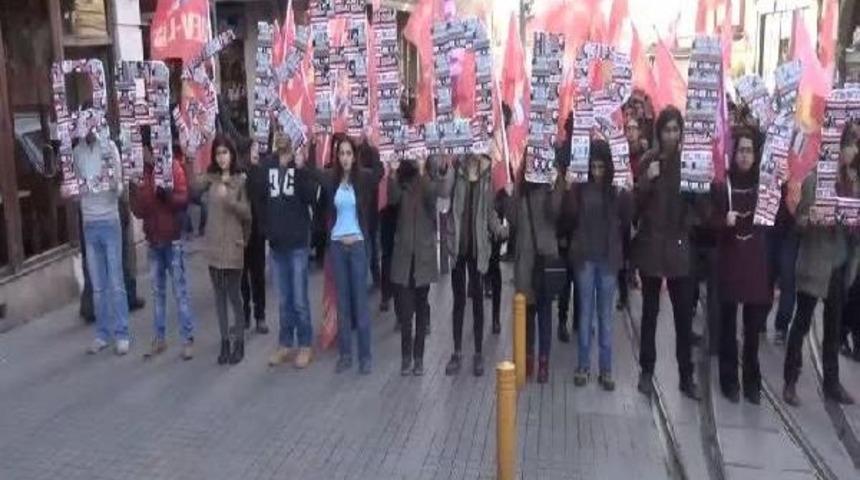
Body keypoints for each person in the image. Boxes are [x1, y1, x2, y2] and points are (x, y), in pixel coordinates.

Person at [632, 106, 706, 400]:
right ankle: (646, 372)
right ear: (659, 132)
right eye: (667, 130)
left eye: (676, 130)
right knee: (649, 314)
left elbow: (702, 212)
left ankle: (685, 376)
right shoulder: (650, 160)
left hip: (678, 249)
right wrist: (647, 180)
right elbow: (635, 207)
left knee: (683, 319)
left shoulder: (690, 164)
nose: (671, 135)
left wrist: (699, 190)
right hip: (651, 247)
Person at [783, 126, 860, 406]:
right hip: (815, 263)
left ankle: (832, 383)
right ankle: (790, 379)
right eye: (850, 145)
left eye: (854, 145)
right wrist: (811, 217)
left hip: (839, 264)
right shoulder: (815, 179)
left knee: (833, 326)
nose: (854, 151)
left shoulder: (853, 183)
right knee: (802, 321)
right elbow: (799, 223)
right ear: (837, 149)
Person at [563, 139, 632, 391]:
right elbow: (569, 217)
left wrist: (628, 192)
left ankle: (606, 369)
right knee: (584, 315)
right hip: (585, 258)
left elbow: (627, 219)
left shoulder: (615, 190)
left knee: (605, 317)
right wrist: (569, 188)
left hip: (608, 260)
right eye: (593, 166)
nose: (597, 172)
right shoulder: (581, 188)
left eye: (601, 167)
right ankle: (583, 365)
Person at [316, 136, 383, 375]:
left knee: (360, 303)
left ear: (354, 156)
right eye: (341, 153)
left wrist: (369, 142)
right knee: (342, 303)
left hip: (357, 247)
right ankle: (345, 355)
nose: (344, 157)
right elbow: (312, 174)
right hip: (337, 247)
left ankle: (365, 356)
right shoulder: (330, 180)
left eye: (348, 153)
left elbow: (379, 171)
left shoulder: (362, 178)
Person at [712, 129, 770, 405]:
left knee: (752, 327)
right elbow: (709, 223)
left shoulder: (764, 184)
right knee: (727, 323)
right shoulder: (724, 184)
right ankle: (728, 379)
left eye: (750, 151)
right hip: (730, 260)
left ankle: (752, 381)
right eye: (741, 150)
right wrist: (724, 221)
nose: (745, 156)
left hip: (756, 262)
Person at [129, 128, 195, 360]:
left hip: (172, 238)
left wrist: (167, 195)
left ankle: (188, 339)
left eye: (144, 149)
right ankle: (159, 338)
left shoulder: (172, 166)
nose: (143, 153)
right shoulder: (141, 174)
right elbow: (137, 210)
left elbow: (184, 198)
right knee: (157, 293)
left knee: (180, 291)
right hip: (153, 239)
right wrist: (135, 192)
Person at [443, 154, 507, 377]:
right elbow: (443, 197)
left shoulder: (487, 178)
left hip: (478, 249)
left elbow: (489, 212)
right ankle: (457, 351)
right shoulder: (456, 171)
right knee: (459, 301)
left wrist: (500, 230)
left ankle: (478, 353)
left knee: (478, 302)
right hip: (458, 248)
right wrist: (449, 168)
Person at [191, 136, 252, 365]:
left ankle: (239, 342)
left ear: (232, 155)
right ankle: (225, 341)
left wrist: (232, 203)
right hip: (214, 246)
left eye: (225, 153)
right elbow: (193, 189)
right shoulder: (211, 179)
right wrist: (190, 155)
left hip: (234, 246)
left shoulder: (240, 180)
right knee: (219, 297)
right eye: (218, 153)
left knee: (234, 296)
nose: (222, 157)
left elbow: (247, 215)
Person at [262, 133, 320, 369]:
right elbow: (261, 197)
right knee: (284, 300)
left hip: (297, 245)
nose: (283, 137)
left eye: (288, 132)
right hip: (277, 246)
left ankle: (305, 344)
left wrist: (302, 166)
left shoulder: (300, 168)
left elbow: (312, 197)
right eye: (279, 131)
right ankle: (285, 343)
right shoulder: (268, 165)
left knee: (299, 300)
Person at [390, 156, 451, 375]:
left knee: (421, 311)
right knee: (406, 315)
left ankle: (419, 359)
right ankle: (406, 358)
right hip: (404, 258)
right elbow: (392, 198)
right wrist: (392, 172)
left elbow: (441, 193)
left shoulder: (426, 181)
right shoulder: (400, 183)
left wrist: (436, 170)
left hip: (423, 257)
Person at [76, 130, 130, 356]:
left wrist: (112, 184)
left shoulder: (109, 148)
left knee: (116, 282)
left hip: (108, 220)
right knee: (97, 286)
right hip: (89, 222)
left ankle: (122, 333)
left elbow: (120, 187)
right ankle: (102, 333)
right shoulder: (77, 152)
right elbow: (74, 185)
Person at [509, 173, 564, 384]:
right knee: (527, 313)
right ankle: (527, 358)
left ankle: (543, 362)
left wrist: (557, 184)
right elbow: (512, 217)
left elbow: (555, 212)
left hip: (545, 260)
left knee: (544, 313)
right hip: (525, 261)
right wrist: (510, 191)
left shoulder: (551, 186)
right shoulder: (521, 190)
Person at [241, 141, 269, 334]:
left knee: (258, 276)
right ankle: (244, 315)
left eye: (256, 149)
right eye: (252, 149)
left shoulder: (259, 172)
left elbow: (264, 196)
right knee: (242, 278)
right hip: (240, 234)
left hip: (257, 231)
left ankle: (260, 316)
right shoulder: (237, 174)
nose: (256, 153)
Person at [768, 183, 799, 345]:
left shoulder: (807, 163)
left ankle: (781, 326)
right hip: (771, 223)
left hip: (792, 230)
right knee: (767, 274)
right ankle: (758, 318)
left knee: (788, 279)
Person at [356, 133, 383, 287]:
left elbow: (377, 174)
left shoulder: (371, 152)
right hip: (364, 207)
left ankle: (374, 275)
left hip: (369, 206)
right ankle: (371, 276)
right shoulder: (354, 150)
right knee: (369, 242)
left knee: (371, 242)